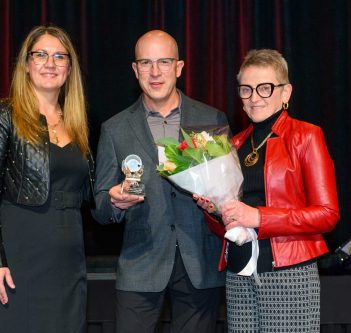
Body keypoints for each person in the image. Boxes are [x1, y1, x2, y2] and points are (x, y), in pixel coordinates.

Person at [194, 49, 340, 332]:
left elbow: (328, 214)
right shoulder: (232, 145)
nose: (254, 97)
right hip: (238, 273)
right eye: (246, 89)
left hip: (288, 272)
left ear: (286, 93)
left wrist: (260, 218)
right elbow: (227, 225)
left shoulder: (306, 136)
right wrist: (213, 211)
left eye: (265, 88)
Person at [93, 30, 228, 332]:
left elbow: (229, 194)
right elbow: (100, 208)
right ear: (135, 69)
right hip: (140, 265)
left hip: (199, 263)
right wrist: (115, 201)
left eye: (164, 62)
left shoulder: (211, 119)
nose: (155, 72)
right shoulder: (114, 129)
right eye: (146, 63)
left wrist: (216, 204)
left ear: (179, 67)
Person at [0, 25, 93, 333]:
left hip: (69, 256)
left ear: (69, 68)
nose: (50, 63)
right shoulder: (3, 114)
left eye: (59, 56)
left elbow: (90, 194)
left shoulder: (78, 123)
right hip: (20, 255)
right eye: (40, 55)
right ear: (26, 65)